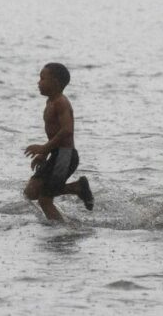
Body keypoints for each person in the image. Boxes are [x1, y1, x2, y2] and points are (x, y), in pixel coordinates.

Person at [24, 63, 94, 221]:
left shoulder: (61, 102)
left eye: (42, 78)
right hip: (56, 153)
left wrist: (43, 148)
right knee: (31, 192)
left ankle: (62, 234)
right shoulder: (50, 102)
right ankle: (76, 187)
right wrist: (45, 154)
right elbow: (55, 133)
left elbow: (67, 131)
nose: (38, 82)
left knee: (44, 199)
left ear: (55, 82)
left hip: (65, 155)